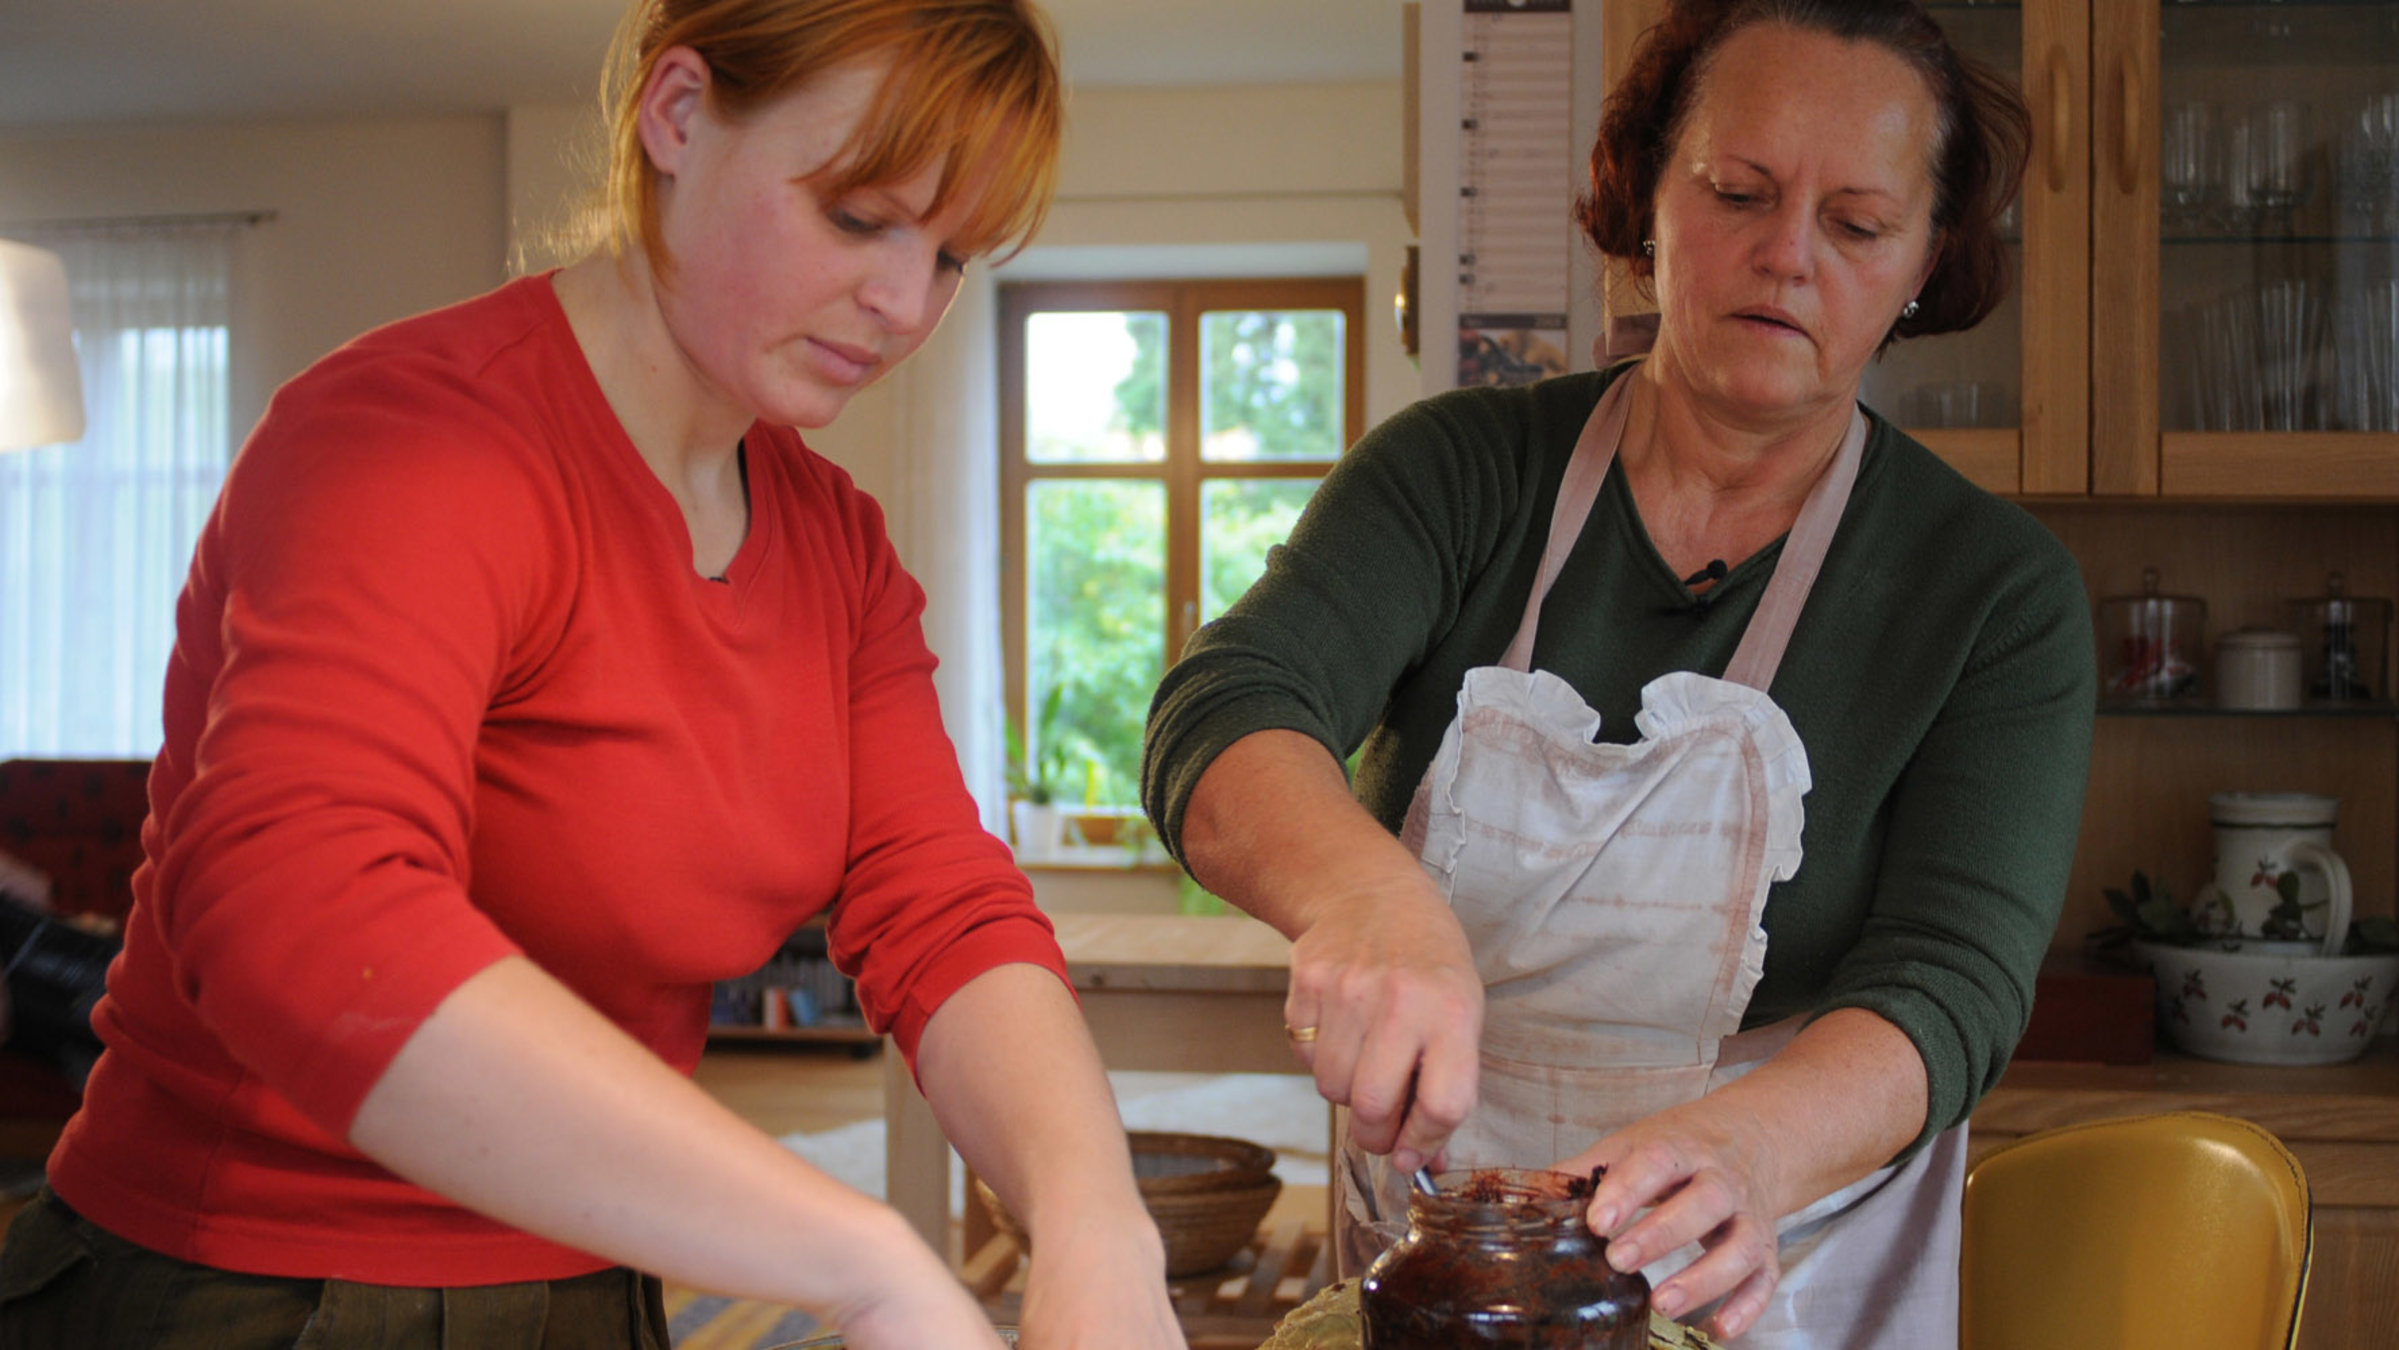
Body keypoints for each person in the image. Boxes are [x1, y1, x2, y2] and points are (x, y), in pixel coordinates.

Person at [0, 3, 1186, 1348]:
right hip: (245, 1286)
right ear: (676, 115)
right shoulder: (417, 440)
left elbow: (944, 909)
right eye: (859, 218)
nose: (907, 304)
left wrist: (1096, 1221)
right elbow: (300, 909)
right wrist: (859, 1257)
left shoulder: (838, 549)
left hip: (600, 1276)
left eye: (952, 254)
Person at [1143, 1, 2091, 1345]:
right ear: (1646, 197)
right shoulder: (1460, 473)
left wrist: (1747, 1153)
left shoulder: (1993, 592)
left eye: (1859, 225)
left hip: (1782, 1264)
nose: (1787, 255)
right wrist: (1368, 901)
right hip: (1445, 1253)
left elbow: (1953, 982)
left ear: (1926, 262)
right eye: (1738, 192)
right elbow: (1229, 705)